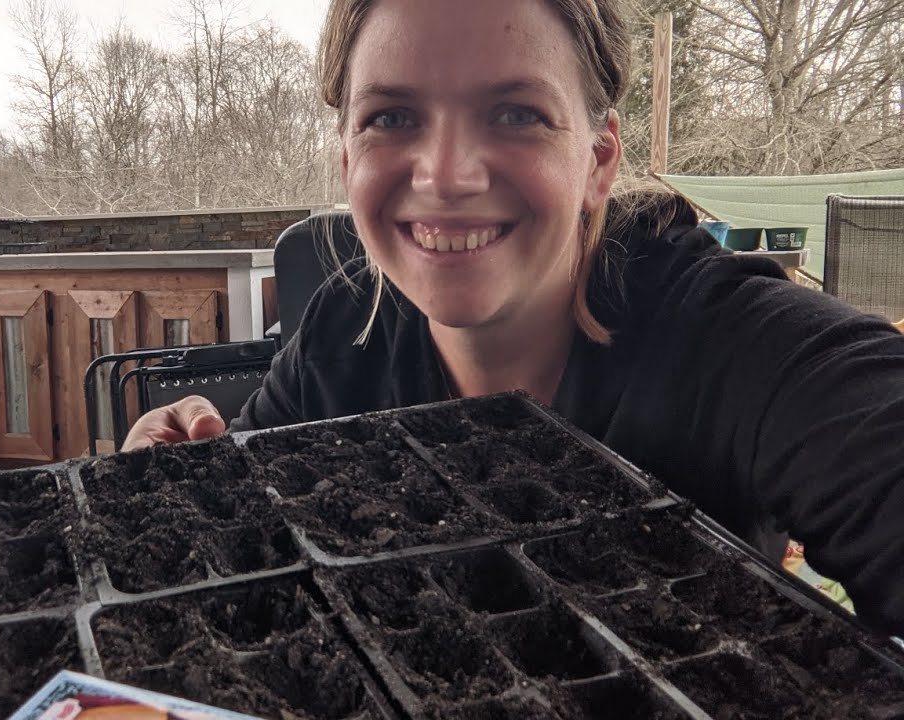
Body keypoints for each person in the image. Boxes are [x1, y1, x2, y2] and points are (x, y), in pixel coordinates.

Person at [122, 0, 904, 635]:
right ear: (347, 157)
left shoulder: (730, 343)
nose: (447, 177)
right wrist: (170, 474)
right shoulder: (342, 334)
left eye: (516, 113)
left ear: (597, 159)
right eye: (391, 117)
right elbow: (236, 526)